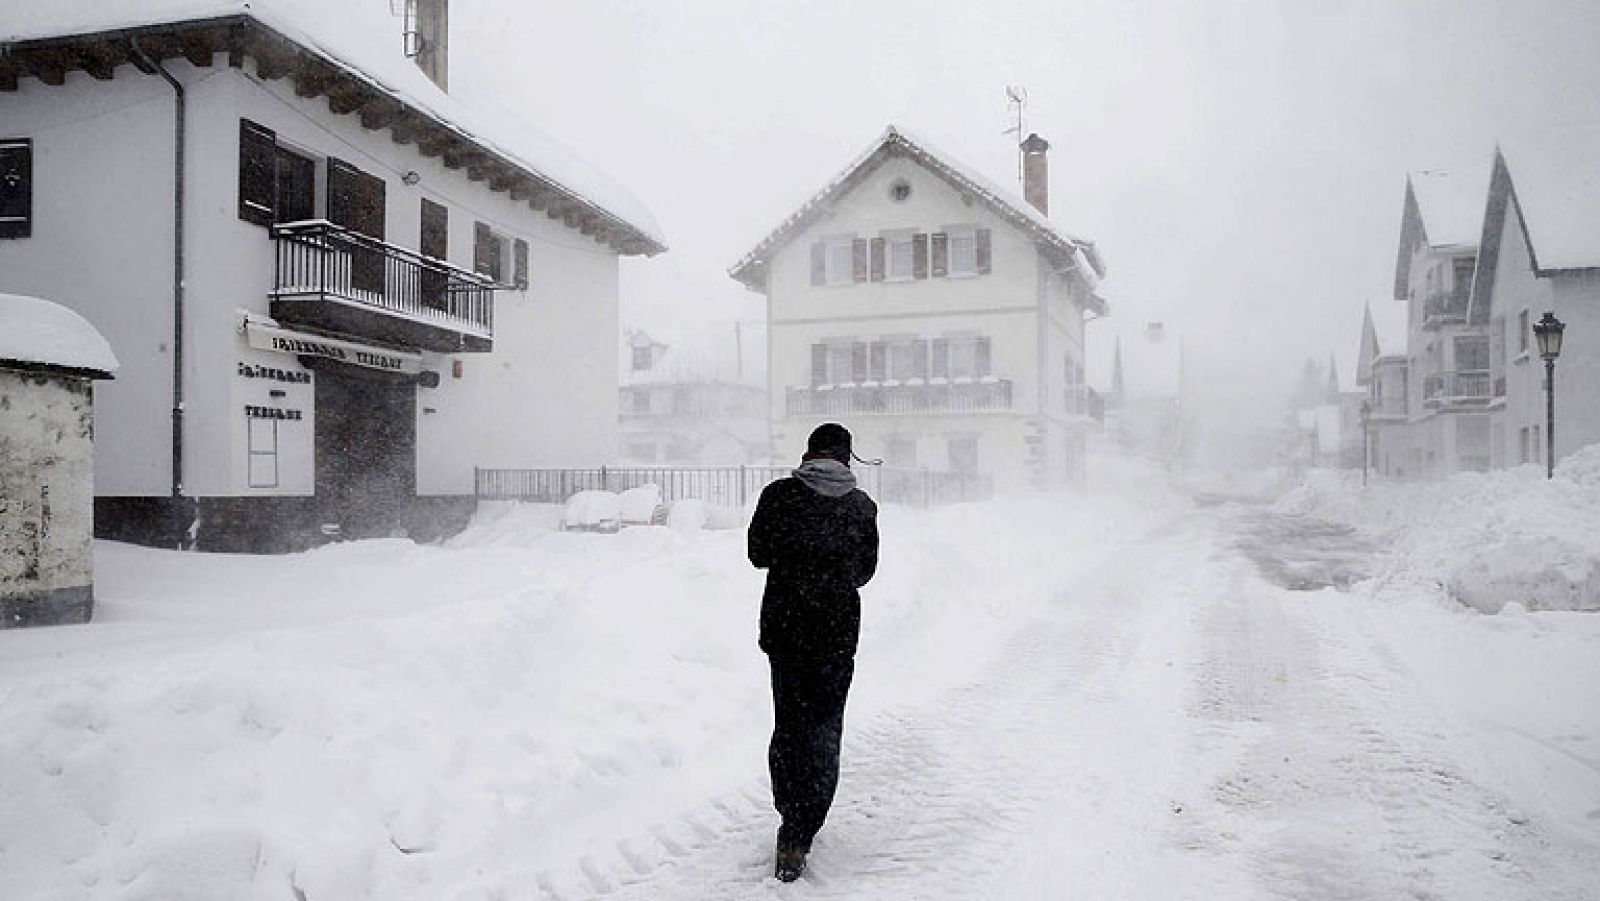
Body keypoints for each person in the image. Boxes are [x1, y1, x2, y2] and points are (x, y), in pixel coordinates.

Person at [747, 422, 879, 882]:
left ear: (808, 453)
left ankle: (790, 816)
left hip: (786, 630)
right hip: (835, 635)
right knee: (824, 729)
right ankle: (805, 824)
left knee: (789, 724)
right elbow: (865, 571)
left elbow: (757, 553)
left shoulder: (779, 496)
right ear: (846, 457)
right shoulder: (861, 507)